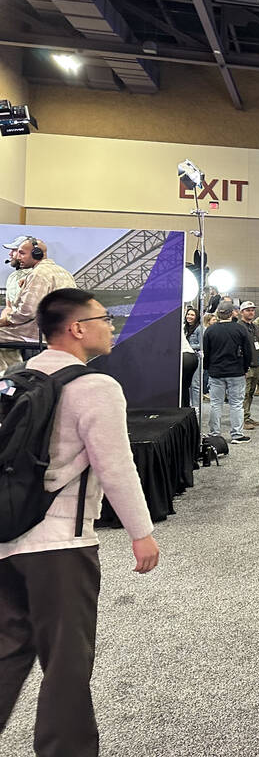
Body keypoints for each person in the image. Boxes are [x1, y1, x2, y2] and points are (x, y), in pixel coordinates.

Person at [0, 288, 160, 757]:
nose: (111, 325)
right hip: (60, 548)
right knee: (68, 664)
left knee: (8, 649)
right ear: (77, 328)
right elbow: (116, 465)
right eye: (103, 317)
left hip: (7, 537)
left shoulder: (16, 377)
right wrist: (141, 533)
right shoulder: (95, 387)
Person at [0, 237, 77, 371]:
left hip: (41, 333)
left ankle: (11, 376)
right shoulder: (64, 273)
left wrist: (6, 320)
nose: (17, 257)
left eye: (22, 253)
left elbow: (26, 312)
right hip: (60, 331)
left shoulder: (38, 274)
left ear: (37, 254)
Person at [202, 300, 253, 444]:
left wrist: (208, 368)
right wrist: (245, 367)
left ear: (218, 314)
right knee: (236, 404)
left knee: (216, 404)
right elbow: (247, 351)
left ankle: (214, 433)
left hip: (216, 372)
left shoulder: (210, 330)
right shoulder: (240, 329)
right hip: (236, 371)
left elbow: (207, 352)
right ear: (232, 313)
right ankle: (237, 434)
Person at [238, 301, 259, 430]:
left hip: (256, 363)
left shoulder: (255, 326)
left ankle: (247, 416)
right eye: (248, 310)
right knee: (244, 393)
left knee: (250, 392)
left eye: (253, 310)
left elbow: (256, 342)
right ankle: (242, 419)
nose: (251, 312)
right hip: (246, 365)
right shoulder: (239, 327)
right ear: (242, 312)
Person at [184, 307, 205, 407]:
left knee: (195, 385)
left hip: (197, 358)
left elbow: (202, 345)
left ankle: (196, 408)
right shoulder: (184, 328)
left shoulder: (200, 329)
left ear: (196, 317)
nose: (189, 317)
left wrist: (187, 346)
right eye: (188, 314)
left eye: (192, 315)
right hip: (187, 359)